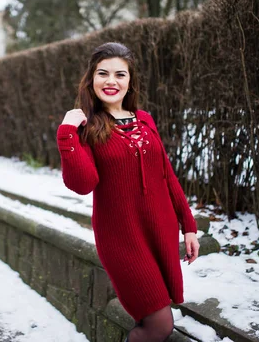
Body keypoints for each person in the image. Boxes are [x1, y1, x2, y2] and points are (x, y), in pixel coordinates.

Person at [57, 42, 200, 342]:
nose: (111, 81)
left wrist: (188, 226)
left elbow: (166, 176)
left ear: (130, 81)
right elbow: (82, 184)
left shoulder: (145, 119)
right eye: (103, 73)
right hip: (121, 239)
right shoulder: (87, 127)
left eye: (120, 74)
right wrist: (67, 133)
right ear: (91, 79)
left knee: (159, 318)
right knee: (160, 325)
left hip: (157, 230)